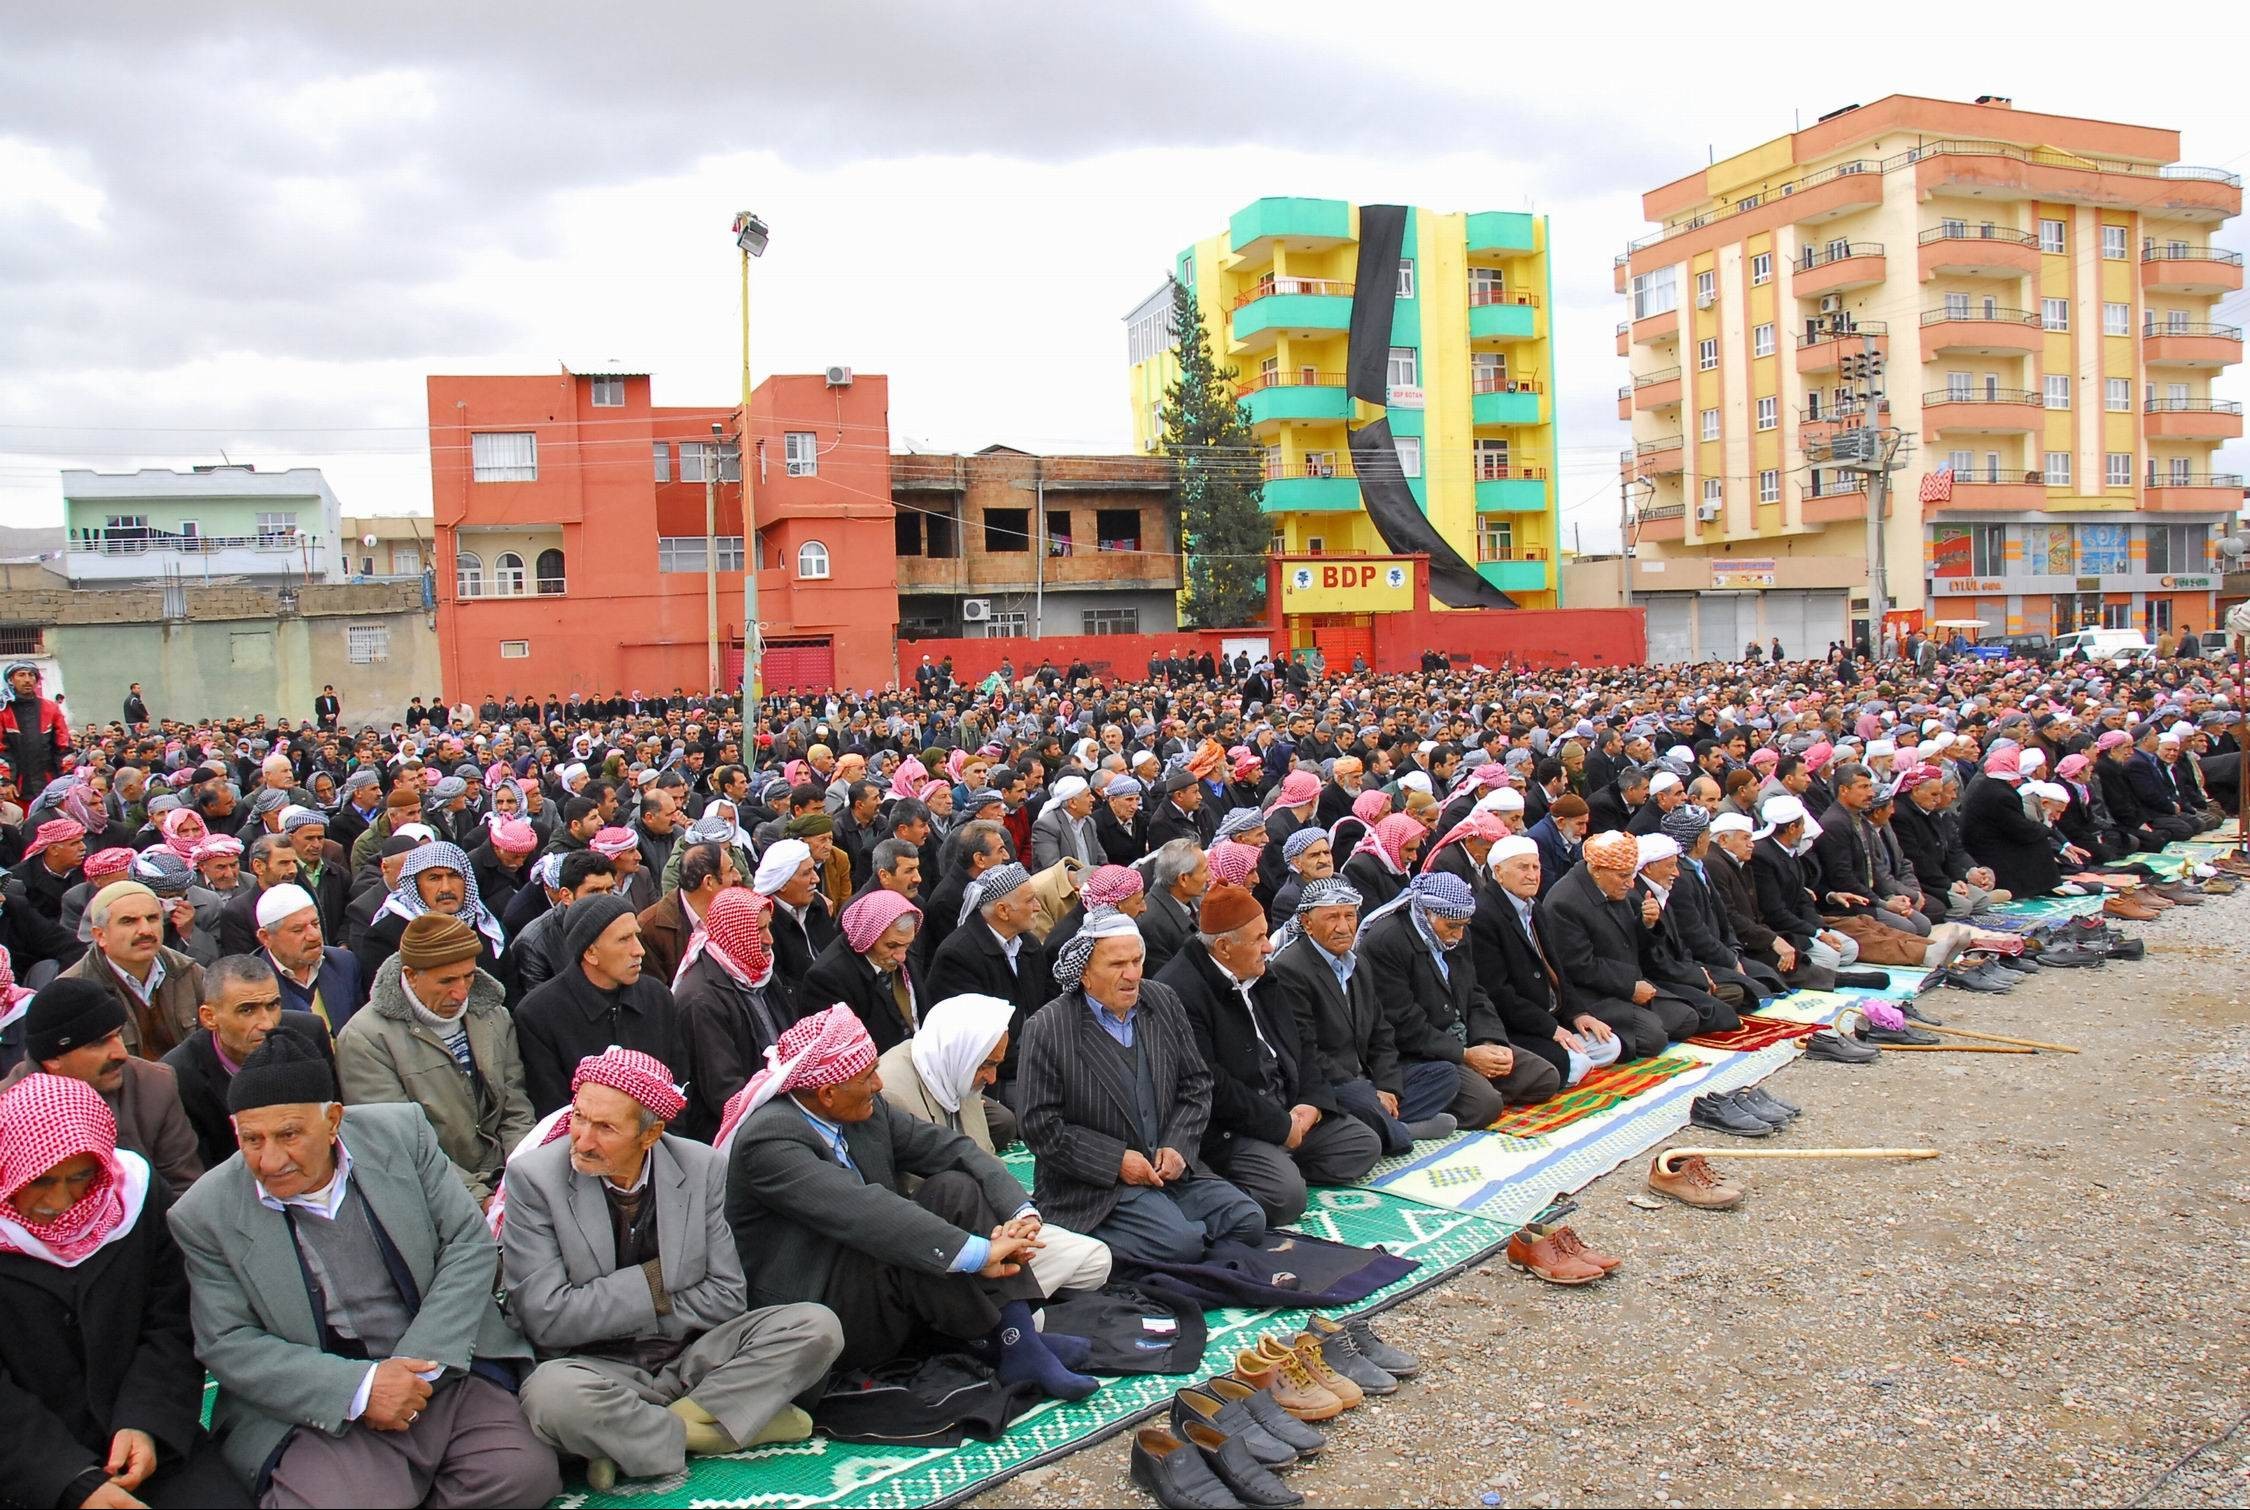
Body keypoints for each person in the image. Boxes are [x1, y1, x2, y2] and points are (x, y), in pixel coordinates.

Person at [167, 1030, 560, 1507]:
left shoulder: (400, 1133)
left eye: (289, 1135)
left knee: (522, 1476)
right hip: (318, 1403)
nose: (269, 1159)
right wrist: (360, 1388)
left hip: (438, 1369)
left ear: (333, 1120)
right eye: (252, 1139)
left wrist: (412, 1372)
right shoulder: (204, 1213)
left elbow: (466, 1243)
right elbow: (225, 1340)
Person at [503, 1048, 844, 1492]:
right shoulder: (534, 1179)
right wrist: (656, 1283)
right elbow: (547, 1319)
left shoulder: (701, 1167)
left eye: (605, 1127)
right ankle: (708, 1431)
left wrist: (603, 1303)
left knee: (817, 1326)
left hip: (691, 1357)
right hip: (595, 1368)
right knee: (550, 1398)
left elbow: (725, 1296)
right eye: (579, 1118)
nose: (582, 1140)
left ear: (652, 1134)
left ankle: (634, 1440)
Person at [722, 1006, 1100, 1399]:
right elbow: (865, 1213)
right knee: (907, 1237)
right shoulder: (770, 1141)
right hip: (819, 1309)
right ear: (827, 1092)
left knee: (954, 1189)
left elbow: (950, 1148)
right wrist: (980, 1253)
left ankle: (1015, 1338)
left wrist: (1019, 1212)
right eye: (867, 1076)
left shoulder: (865, 1110)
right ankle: (1013, 1342)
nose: (879, 1084)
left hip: (867, 1278)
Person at [0, 1073, 251, 1509]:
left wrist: (145, 1424)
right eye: (40, 1181)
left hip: (149, 1441)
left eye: (79, 1177)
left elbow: (171, 1317)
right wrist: (69, 1479)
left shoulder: (133, 1196)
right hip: (29, 1469)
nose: (59, 1200)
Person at [1014, 910, 1266, 1265]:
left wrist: (1178, 1145)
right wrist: (1116, 1161)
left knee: (1249, 1221)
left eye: (1136, 961)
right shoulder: (1049, 1027)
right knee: (1182, 1245)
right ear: (1085, 973)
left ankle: (1175, 1231)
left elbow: (1196, 1083)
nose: (1132, 975)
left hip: (1167, 1173)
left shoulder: (1161, 1000)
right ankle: (1102, 1237)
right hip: (1098, 1186)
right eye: (1118, 964)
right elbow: (1040, 1127)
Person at [1158, 884, 1380, 1226]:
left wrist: (1310, 1104)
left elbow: (1301, 1043)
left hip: (1286, 1106)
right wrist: (1280, 1127)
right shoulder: (1180, 990)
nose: (1269, 946)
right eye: (1259, 938)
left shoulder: (1258, 969)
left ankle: (1280, 1161)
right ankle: (1266, 1168)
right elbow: (1210, 1084)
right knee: (1286, 1198)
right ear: (1223, 947)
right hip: (1235, 1125)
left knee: (1363, 1143)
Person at [875, 992, 1111, 1290]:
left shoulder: (959, 1068)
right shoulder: (891, 1092)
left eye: (996, 1064)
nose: (992, 1077)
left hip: (990, 1226)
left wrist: (1017, 1218)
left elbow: (984, 1159)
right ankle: (1006, 1301)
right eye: (987, 1065)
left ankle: (1005, 1295)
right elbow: (914, 1195)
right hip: (941, 1239)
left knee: (1096, 1260)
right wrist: (993, 1239)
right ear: (962, 1052)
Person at [336, 915, 533, 1211]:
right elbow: (400, 1145)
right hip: (435, 1198)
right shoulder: (366, 1039)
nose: (461, 992)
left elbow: (515, 1104)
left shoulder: (493, 1015)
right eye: (446, 981)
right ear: (410, 975)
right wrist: (480, 1199)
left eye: (468, 976)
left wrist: (524, 1174)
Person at [0, 977, 204, 1196]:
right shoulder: (8, 1111)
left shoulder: (153, 1085)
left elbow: (185, 1191)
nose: (121, 1054)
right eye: (98, 1043)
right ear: (53, 1058)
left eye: (118, 1035)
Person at [1471, 837, 1624, 1090]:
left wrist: (1578, 1014)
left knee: (1610, 1044)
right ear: (1498, 871)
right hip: (1516, 1025)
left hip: (1548, 1013)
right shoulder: (1485, 916)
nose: (1532, 875)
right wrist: (1551, 1028)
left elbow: (1556, 969)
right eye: (1523, 867)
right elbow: (1497, 993)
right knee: (1575, 1063)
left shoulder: (1534, 908)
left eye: (1536, 867)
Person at [161, 954, 333, 1173]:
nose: (267, 1023)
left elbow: (330, 1122)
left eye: (273, 1005)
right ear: (209, 1017)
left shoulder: (308, 1034)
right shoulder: (178, 1076)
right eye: (247, 1010)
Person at [515, 894, 678, 1116]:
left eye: (636, 936)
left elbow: (678, 1083)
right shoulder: (539, 1014)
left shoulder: (657, 997)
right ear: (590, 953)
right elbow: (554, 1108)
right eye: (624, 939)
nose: (639, 950)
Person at [670, 888, 794, 1142]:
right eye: (759, 931)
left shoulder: (759, 971)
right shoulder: (701, 1000)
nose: (769, 939)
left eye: (768, 928)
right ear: (734, 934)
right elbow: (725, 1093)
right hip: (739, 1130)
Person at [924, 861, 1052, 1099]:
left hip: (1032, 1057)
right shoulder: (958, 955)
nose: (1037, 907)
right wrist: (1039, 1064)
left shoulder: (1029, 946)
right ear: (1003, 911)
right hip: (992, 1074)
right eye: (1029, 900)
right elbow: (975, 1045)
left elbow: (1042, 1008)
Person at [59, 881, 206, 1061]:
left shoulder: (190, 973)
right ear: (100, 935)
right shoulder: (73, 992)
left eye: (152, 918)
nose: (145, 930)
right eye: (128, 921)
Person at [358, 840, 505, 984]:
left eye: (454, 876)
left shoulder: (486, 927)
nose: (446, 888)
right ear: (416, 885)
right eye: (434, 878)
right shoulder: (386, 935)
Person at [804, 889, 924, 1055]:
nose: (901, 956)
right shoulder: (827, 979)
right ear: (868, 935)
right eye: (891, 946)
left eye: (907, 945)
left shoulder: (901, 950)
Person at [256, 881, 362, 1032]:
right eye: (298, 930)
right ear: (265, 937)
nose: (313, 936)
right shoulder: (253, 984)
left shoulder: (344, 963)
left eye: (315, 924)